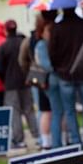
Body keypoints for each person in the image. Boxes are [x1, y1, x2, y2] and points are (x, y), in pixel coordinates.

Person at [48, 7, 83, 149]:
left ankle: (76, 142)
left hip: (65, 75)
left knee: (69, 110)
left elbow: (52, 53)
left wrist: (59, 66)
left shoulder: (57, 28)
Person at [0, 19, 40, 149]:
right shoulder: (23, 42)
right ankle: (37, 136)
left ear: (6, 30)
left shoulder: (3, 47)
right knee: (29, 109)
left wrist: (5, 79)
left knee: (15, 112)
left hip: (10, 84)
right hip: (26, 81)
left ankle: (19, 139)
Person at [20, 14, 53, 150]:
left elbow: (22, 60)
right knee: (52, 110)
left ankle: (43, 140)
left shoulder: (31, 39)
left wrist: (29, 71)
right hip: (46, 76)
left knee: (42, 109)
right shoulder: (43, 40)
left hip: (37, 77)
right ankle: (51, 138)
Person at [36, 21, 63, 149]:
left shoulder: (51, 44)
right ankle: (51, 142)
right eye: (48, 31)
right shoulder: (41, 45)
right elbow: (47, 65)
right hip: (48, 81)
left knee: (58, 111)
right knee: (53, 111)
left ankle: (58, 140)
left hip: (53, 80)